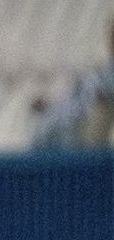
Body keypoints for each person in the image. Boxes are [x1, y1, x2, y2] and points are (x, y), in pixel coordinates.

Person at [30, 18, 114, 150]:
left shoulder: (106, 75)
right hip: (76, 114)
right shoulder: (101, 70)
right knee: (45, 120)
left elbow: (102, 95)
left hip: (90, 120)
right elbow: (76, 98)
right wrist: (51, 104)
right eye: (110, 33)